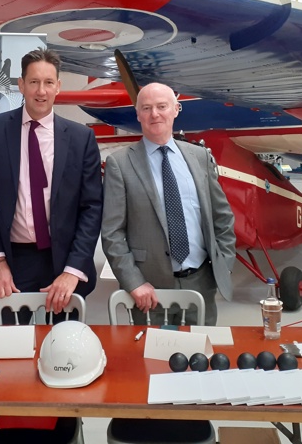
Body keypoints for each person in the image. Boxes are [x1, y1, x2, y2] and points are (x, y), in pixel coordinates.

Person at [0, 47, 103, 322]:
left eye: (48, 83)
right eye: (33, 82)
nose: (41, 91)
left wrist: (72, 271)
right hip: (12, 260)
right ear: (21, 85)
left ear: (58, 87)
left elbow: (91, 207)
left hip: (64, 259)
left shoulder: (81, 138)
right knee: (8, 350)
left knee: (63, 352)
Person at [101, 82, 236, 326]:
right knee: (153, 361)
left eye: (162, 106)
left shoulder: (200, 157)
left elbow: (222, 217)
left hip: (201, 285)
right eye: (146, 108)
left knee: (200, 358)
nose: (155, 114)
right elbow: (112, 233)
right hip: (149, 292)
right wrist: (134, 282)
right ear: (138, 114)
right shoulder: (119, 164)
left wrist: (222, 265)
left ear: (176, 109)